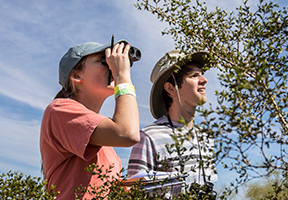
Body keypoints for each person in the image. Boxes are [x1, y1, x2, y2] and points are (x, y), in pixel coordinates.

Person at [40, 39, 140, 199]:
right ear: (76, 75)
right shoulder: (59, 110)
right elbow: (128, 133)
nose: (112, 67)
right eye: (104, 61)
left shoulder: (106, 144)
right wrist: (122, 77)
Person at [127, 49, 218, 194]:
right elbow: (133, 192)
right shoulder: (149, 137)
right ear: (171, 88)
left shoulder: (206, 138)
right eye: (194, 75)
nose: (204, 80)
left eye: (202, 74)